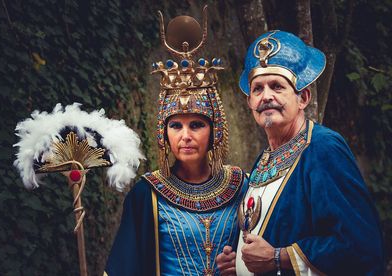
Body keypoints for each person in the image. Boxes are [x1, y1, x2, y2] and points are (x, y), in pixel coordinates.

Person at [216, 30, 384, 275]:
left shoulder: (323, 148)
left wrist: (277, 257)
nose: (266, 97)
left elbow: (360, 245)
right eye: (258, 89)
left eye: (277, 86)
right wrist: (239, 266)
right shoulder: (263, 160)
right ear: (250, 102)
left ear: (303, 98)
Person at [105, 7, 248, 276]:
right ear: (163, 132)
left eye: (196, 124)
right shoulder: (147, 195)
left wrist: (241, 265)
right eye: (176, 125)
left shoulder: (243, 186)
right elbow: (125, 267)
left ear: (214, 130)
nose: (186, 136)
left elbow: (266, 256)